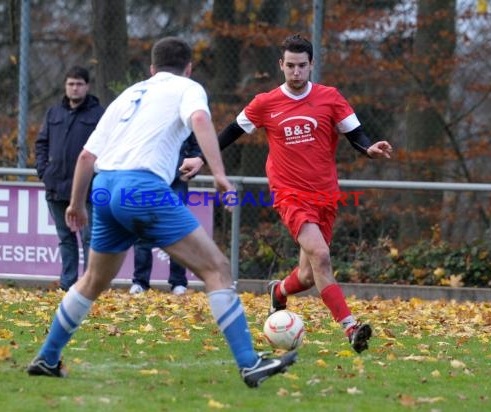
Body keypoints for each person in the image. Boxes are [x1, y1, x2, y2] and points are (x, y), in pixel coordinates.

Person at [27, 36, 296, 387]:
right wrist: (218, 173)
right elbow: (199, 118)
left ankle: (47, 357)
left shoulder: (129, 95)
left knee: (92, 281)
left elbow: (85, 157)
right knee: (216, 268)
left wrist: (77, 204)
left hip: (104, 190)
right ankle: (249, 363)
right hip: (142, 189)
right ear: (188, 67)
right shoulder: (188, 88)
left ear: (152, 69)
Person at [216, 34, 393, 354]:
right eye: (290, 66)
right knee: (322, 256)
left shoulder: (330, 98)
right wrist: (202, 157)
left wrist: (370, 149)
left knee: (310, 275)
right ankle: (350, 327)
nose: (296, 72)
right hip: (289, 193)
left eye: (302, 66)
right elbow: (232, 131)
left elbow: (355, 134)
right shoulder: (265, 102)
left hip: (325, 194)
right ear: (281, 66)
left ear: (311, 65)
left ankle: (279, 291)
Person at [35, 66, 104, 291]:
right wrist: (44, 171)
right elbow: (41, 143)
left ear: (87, 86)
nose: (75, 88)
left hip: (87, 188)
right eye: (71, 84)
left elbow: (108, 146)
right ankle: (68, 283)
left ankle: (89, 284)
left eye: (79, 84)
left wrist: (96, 175)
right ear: (65, 86)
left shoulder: (98, 114)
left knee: (88, 238)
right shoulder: (54, 112)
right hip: (56, 186)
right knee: (65, 238)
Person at [129, 134, 204, 296]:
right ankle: (140, 282)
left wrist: (189, 173)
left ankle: (178, 283)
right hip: (147, 179)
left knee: (177, 233)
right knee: (142, 230)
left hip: (177, 181)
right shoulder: (146, 115)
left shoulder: (183, 116)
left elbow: (196, 148)